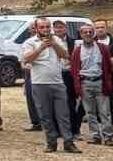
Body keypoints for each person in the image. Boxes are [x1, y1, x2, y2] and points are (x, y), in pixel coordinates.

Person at [23, 16, 78, 153]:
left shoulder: (57, 39)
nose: (45, 29)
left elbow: (66, 55)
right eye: (42, 27)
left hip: (57, 82)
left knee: (63, 114)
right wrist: (41, 47)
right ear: (36, 29)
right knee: (45, 115)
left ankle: (68, 142)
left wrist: (54, 44)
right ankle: (51, 142)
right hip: (39, 83)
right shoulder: (30, 42)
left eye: (48, 27)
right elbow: (27, 59)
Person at [70, 23, 113, 145]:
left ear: (94, 33)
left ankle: (108, 136)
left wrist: (108, 81)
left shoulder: (103, 48)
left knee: (105, 112)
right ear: (81, 34)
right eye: (85, 32)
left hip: (100, 82)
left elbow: (109, 67)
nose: (88, 34)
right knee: (90, 112)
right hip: (85, 83)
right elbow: (74, 70)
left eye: (90, 31)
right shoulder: (77, 51)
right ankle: (95, 135)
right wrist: (78, 86)